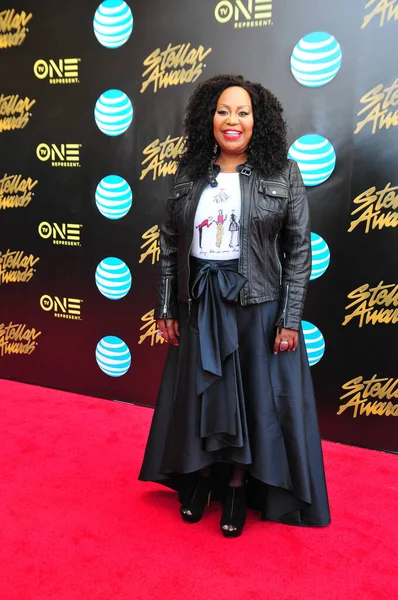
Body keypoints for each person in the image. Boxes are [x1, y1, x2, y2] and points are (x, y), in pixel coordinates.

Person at [139, 74, 331, 537]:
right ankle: (203, 478)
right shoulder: (188, 174)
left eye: (242, 112)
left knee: (251, 401)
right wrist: (167, 306)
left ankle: (240, 486)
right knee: (202, 396)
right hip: (200, 302)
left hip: (256, 306)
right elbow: (169, 246)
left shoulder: (283, 172)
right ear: (210, 117)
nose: (232, 120)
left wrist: (289, 319)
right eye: (223, 110)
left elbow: (298, 251)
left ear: (256, 121)